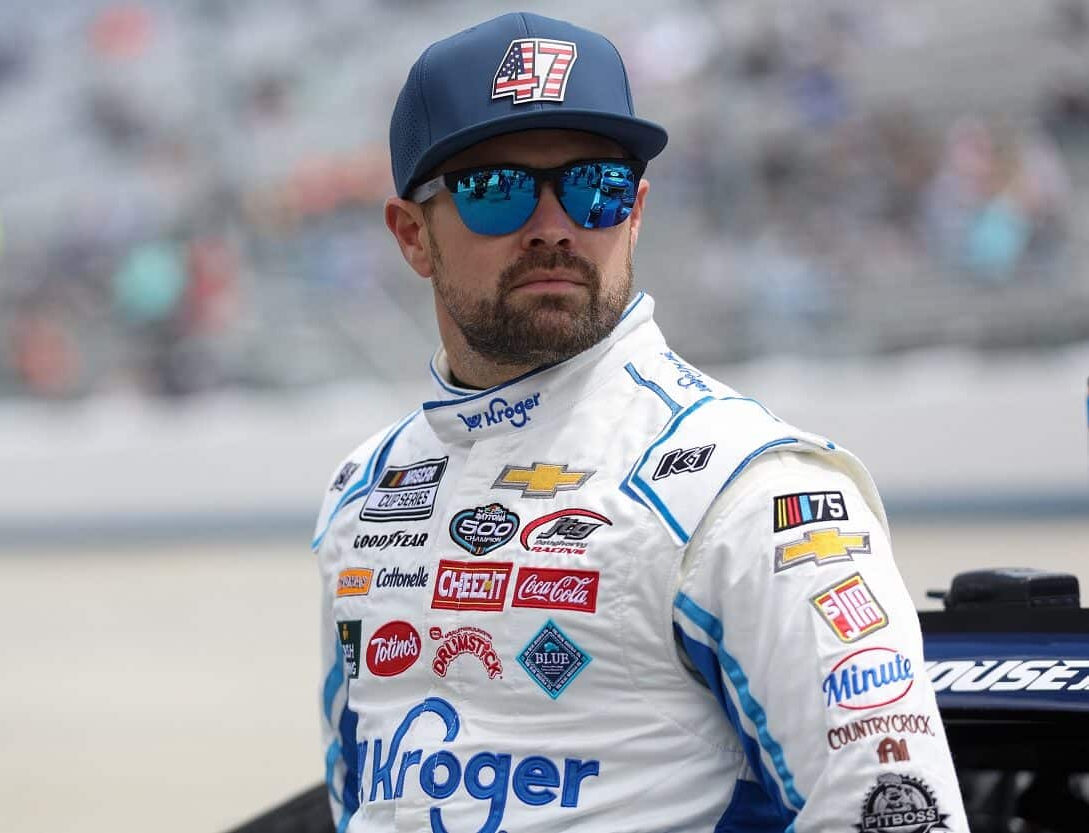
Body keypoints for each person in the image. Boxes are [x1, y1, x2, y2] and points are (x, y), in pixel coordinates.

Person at [313, 11, 966, 833]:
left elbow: (894, 818)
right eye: (496, 189)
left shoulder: (751, 491)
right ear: (413, 235)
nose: (554, 226)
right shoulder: (364, 494)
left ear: (637, 210)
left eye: (597, 186)